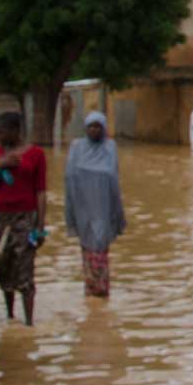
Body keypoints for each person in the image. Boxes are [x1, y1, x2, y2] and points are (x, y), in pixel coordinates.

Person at [0, 110, 49, 325]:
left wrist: (40, 226)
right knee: (4, 266)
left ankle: (29, 322)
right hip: (0, 217)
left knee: (25, 267)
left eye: (2, 132)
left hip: (26, 218)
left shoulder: (36, 154)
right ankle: (10, 316)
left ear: (15, 131)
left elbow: (41, 191)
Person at [65, 111, 126, 298]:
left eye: (98, 126)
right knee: (87, 250)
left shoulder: (110, 148)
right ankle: (91, 293)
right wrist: (71, 212)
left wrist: (117, 214)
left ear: (104, 128)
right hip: (82, 208)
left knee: (99, 249)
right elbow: (69, 179)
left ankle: (100, 292)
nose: (94, 130)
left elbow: (114, 180)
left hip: (103, 209)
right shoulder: (77, 148)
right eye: (90, 126)